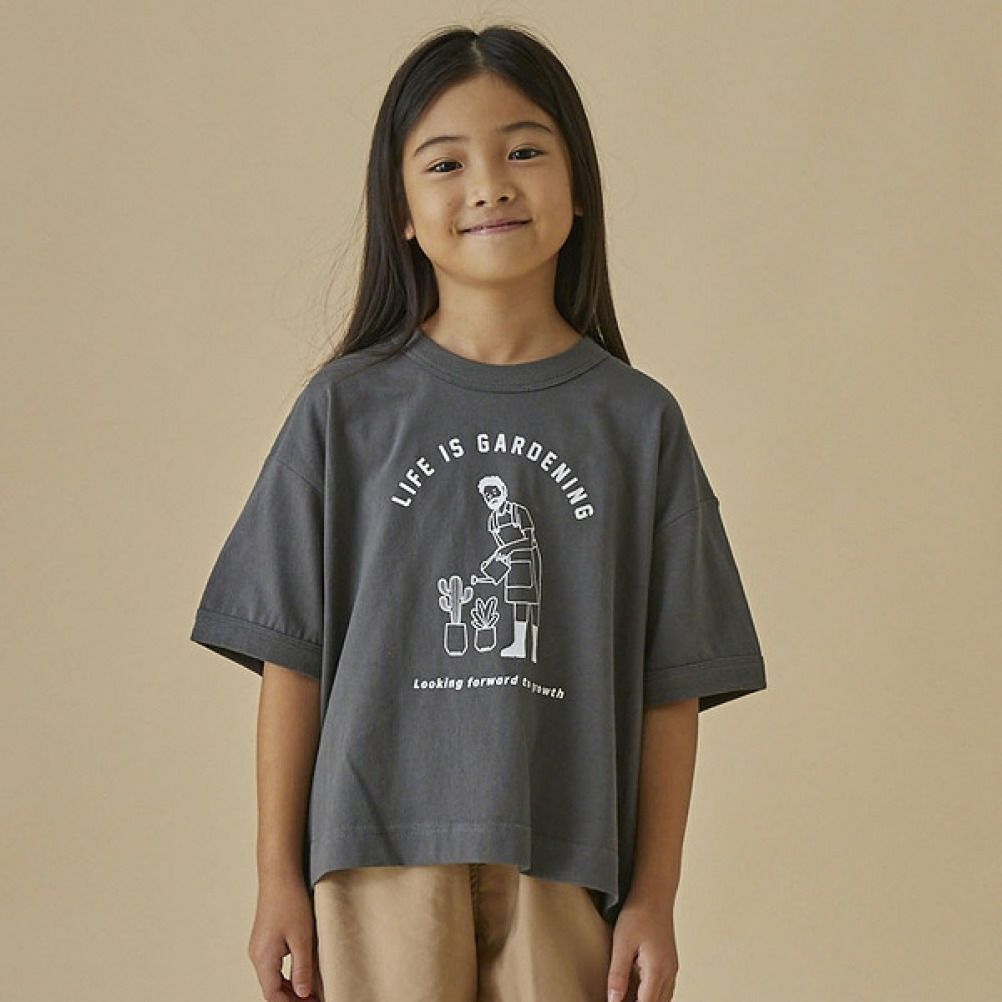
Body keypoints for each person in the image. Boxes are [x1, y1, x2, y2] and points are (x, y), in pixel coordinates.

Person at [189, 22, 767, 1002]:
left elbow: (673, 683)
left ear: (578, 188)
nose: (490, 185)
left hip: (568, 854)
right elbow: (292, 658)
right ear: (403, 213)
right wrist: (277, 877)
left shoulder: (638, 424)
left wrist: (654, 896)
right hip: (374, 853)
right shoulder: (344, 411)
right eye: (446, 163)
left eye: (525, 151)